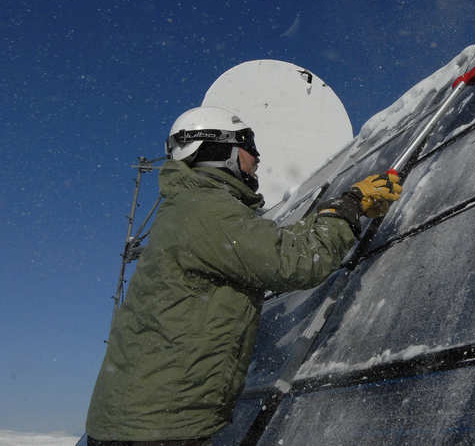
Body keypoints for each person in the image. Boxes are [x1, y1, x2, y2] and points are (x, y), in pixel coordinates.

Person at [85, 106, 402, 445]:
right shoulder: (206, 210)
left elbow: (275, 248)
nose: (257, 157)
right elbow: (298, 260)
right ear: (220, 149)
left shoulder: (193, 207)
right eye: (248, 145)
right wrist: (351, 206)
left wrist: (334, 213)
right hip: (157, 428)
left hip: (148, 420)